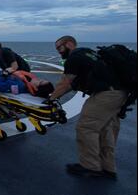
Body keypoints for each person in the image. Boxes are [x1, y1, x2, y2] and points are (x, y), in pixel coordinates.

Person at [49, 35, 127, 179]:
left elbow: (65, 83)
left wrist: (51, 99)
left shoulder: (74, 58)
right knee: (105, 130)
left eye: (60, 47)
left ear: (70, 44)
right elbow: (72, 84)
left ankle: (91, 167)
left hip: (106, 95)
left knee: (86, 127)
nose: (59, 51)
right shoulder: (87, 53)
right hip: (119, 93)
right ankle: (108, 167)